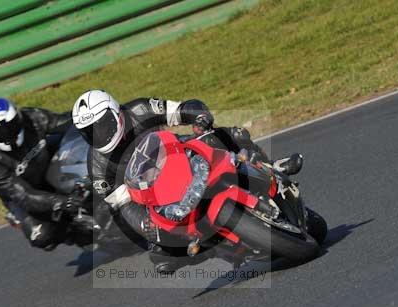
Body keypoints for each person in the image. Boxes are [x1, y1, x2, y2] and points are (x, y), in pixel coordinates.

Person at [71, 90, 300, 272]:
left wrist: (199, 118)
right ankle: (213, 246)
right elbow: (123, 206)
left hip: (180, 154)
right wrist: (145, 225)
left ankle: (270, 165)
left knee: (233, 135)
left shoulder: (140, 109)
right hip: (154, 195)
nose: (98, 134)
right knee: (162, 256)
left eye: (101, 126)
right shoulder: (97, 166)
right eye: (89, 132)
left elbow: (182, 109)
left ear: (116, 113)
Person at [0, 97, 89, 251]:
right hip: (21, 195)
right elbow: (25, 195)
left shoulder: (32, 118)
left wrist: (93, 116)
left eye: (10, 127)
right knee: (42, 236)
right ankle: (74, 235)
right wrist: (62, 202)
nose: (7, 134)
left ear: (19, 118)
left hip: (46, 163)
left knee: (75, 136)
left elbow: (64, 121)